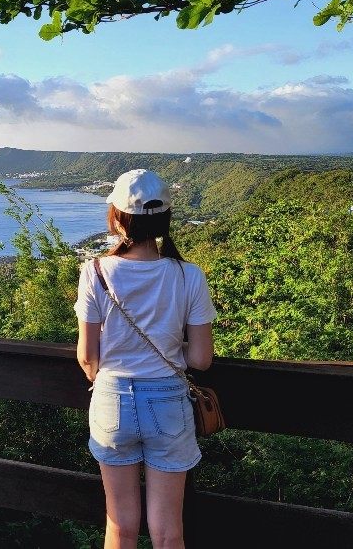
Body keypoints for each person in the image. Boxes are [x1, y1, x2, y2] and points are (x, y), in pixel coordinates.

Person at [75, 169, 217, 549]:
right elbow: (201, 359)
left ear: (117, 218)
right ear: (166, 220)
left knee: (119, 524)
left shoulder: (95, 272)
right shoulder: (189, 276)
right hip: (169, 401)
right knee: (169, 530)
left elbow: (88, 357)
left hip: (111, 399)